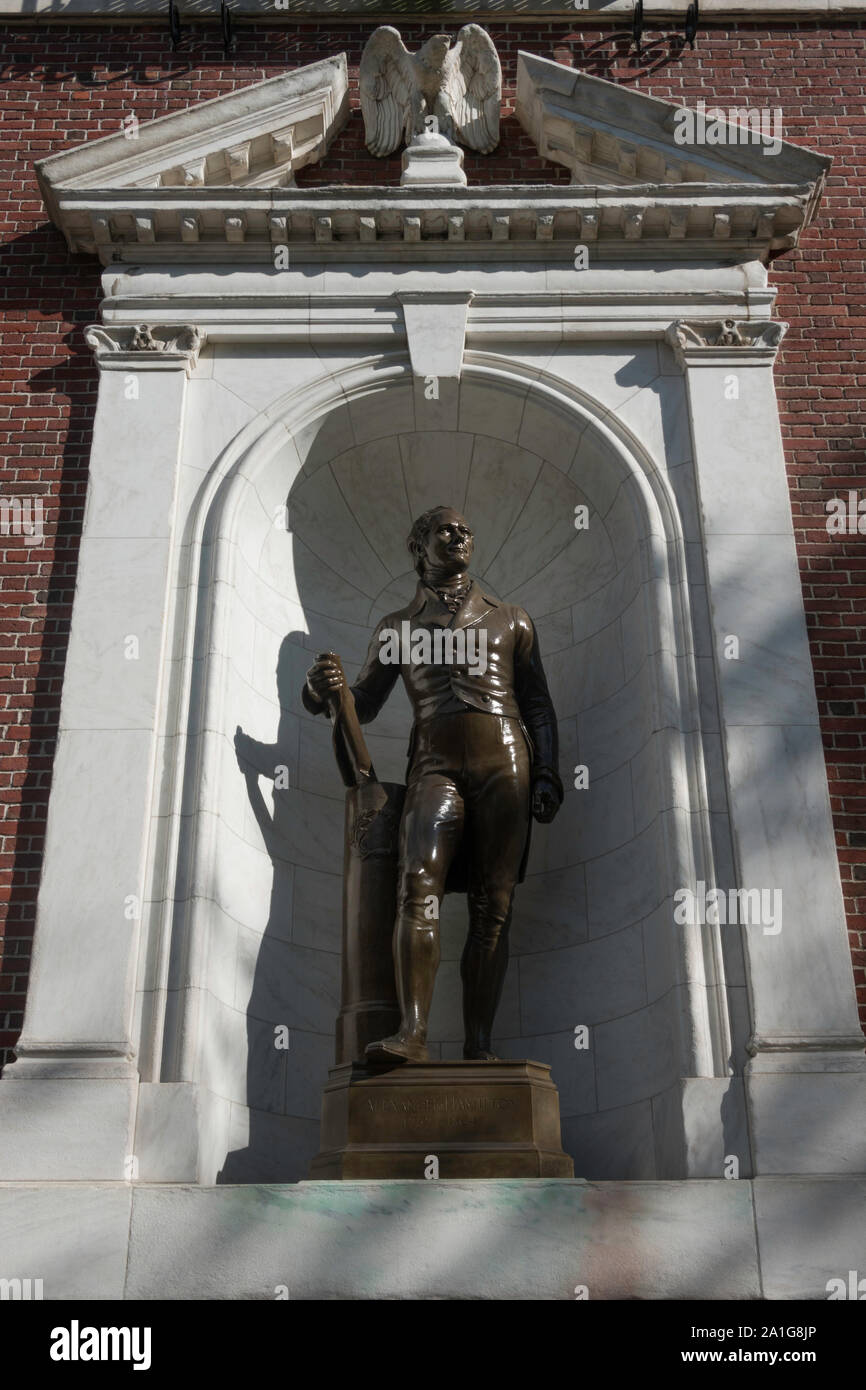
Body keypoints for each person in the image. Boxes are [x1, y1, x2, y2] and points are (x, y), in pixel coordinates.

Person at [303, 506, 563, 1063]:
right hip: (436, 764)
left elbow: (538, 704)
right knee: (416, 884)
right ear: (419, 546)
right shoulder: (397, 628)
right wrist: (325, 691)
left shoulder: (512, 619)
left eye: (466, 528)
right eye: (446, 529)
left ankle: (480, 1047)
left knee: (494, 904)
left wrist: (546, 772)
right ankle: (413, 1035)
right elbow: (364, 705)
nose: (460, 535)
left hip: (506, 763)